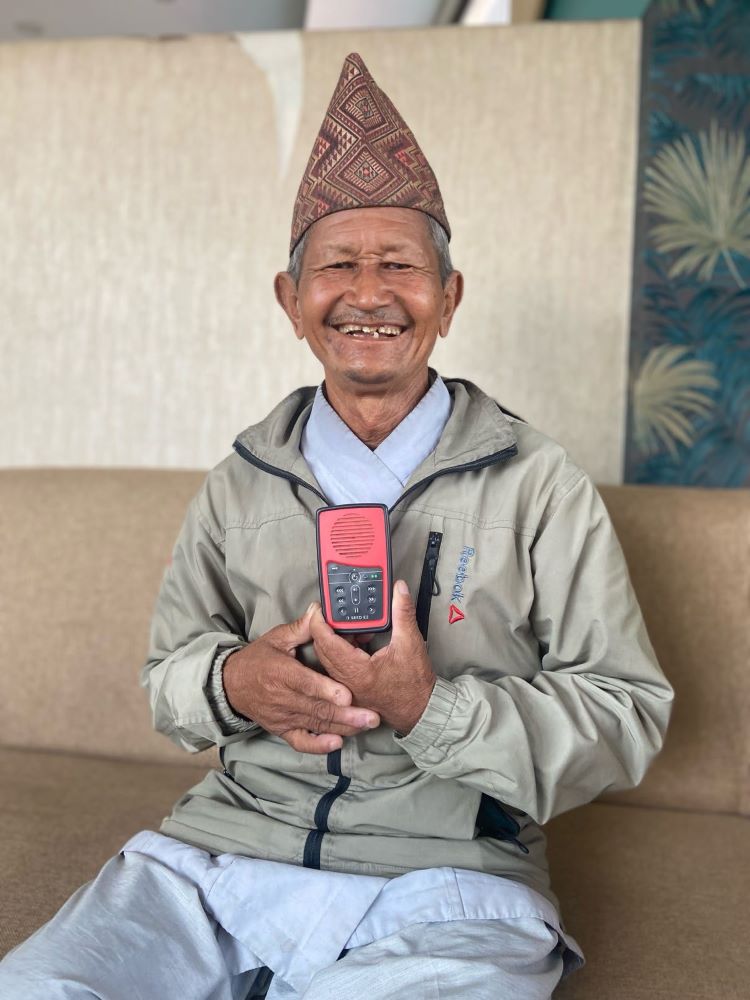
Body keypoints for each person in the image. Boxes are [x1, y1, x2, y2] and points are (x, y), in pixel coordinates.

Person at [0, 52, 673, 1000]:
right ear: (292, 303)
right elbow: (168, 681)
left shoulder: (540, 485)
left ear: (448, 298)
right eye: (336, 267)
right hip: (217, 862)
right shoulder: (239, 483)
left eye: (399, 264)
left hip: (450, 883)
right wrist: (236, 679)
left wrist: (427, 709)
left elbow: (627, 712)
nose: (368, 292)